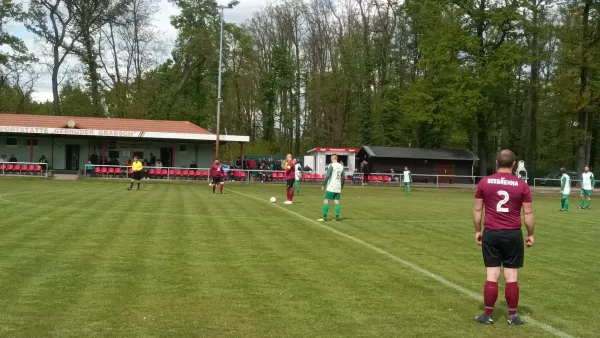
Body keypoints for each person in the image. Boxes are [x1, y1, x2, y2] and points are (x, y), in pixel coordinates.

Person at [473, 149, 534, 326]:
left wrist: (478, 231)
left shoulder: (484, 182)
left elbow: (478, 210)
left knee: (492, 275)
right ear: (514, 164)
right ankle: (513, 316)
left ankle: (487, 315)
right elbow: (528, 213)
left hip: (491, 233)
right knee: (511, 276)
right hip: (513, 234)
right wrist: (530, 233)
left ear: (497, 162)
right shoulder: (522, 185)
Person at [318, 154, 345, 222]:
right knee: (336, 201)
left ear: (331, 159)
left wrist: (324, 185)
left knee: (326, 200)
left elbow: (328, 175)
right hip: (338, 186)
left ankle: (324, 217)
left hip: (331, 186)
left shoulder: (331, 165)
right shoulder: (341, 166)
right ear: (337, 158)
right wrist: (341, 187)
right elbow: (343, 178)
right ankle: (337, 217)